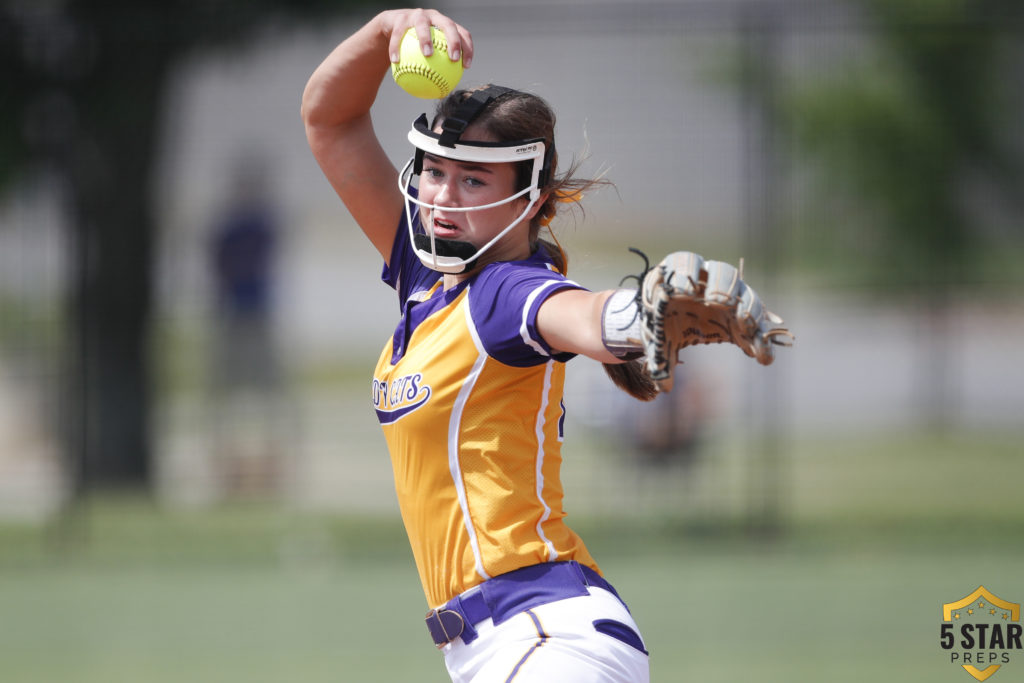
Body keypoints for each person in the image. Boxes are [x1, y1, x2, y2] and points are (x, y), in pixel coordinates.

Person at [302, 9, 655, 681]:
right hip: (500, 647)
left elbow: (579, 315)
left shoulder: (506, 292)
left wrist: (634, 319)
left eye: (472, 180)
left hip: (548, 637)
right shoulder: (423, 277)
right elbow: (330, 121)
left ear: (527, 197)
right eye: (434, 171)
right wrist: (384, 32)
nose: (441, 197)